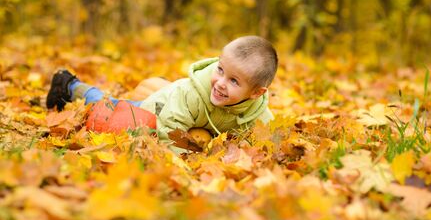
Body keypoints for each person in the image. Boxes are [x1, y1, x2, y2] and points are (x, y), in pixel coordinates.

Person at [46, 35, 278, 152]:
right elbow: (169, 127)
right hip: (155, 109)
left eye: (234, 81)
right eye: (220, 70)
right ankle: (69, 86)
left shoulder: (257, 111)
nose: (220, 83)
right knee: (112, 109)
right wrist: (181, 157)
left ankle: (73, 87)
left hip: (181, 111)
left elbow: (267, 135)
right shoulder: (193, 94)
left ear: (256, 93)